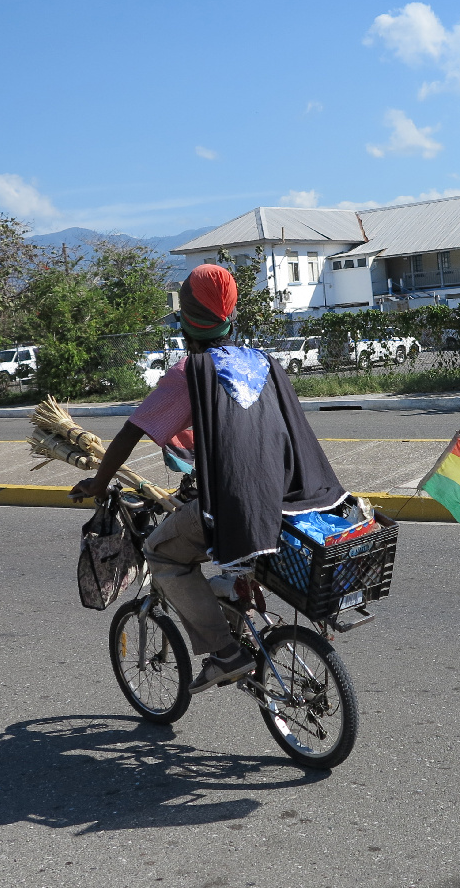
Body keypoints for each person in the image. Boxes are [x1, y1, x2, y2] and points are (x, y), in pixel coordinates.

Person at [71, 264, 347, 693]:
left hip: (235, 507)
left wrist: (97, 483)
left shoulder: (190, 372)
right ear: (231, 316)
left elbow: (132, 431)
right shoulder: (263, 362)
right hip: (290, 499)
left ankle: (225, 653)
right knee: (213, 544)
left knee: (161, 551)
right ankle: (234, 598)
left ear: (185, 322)